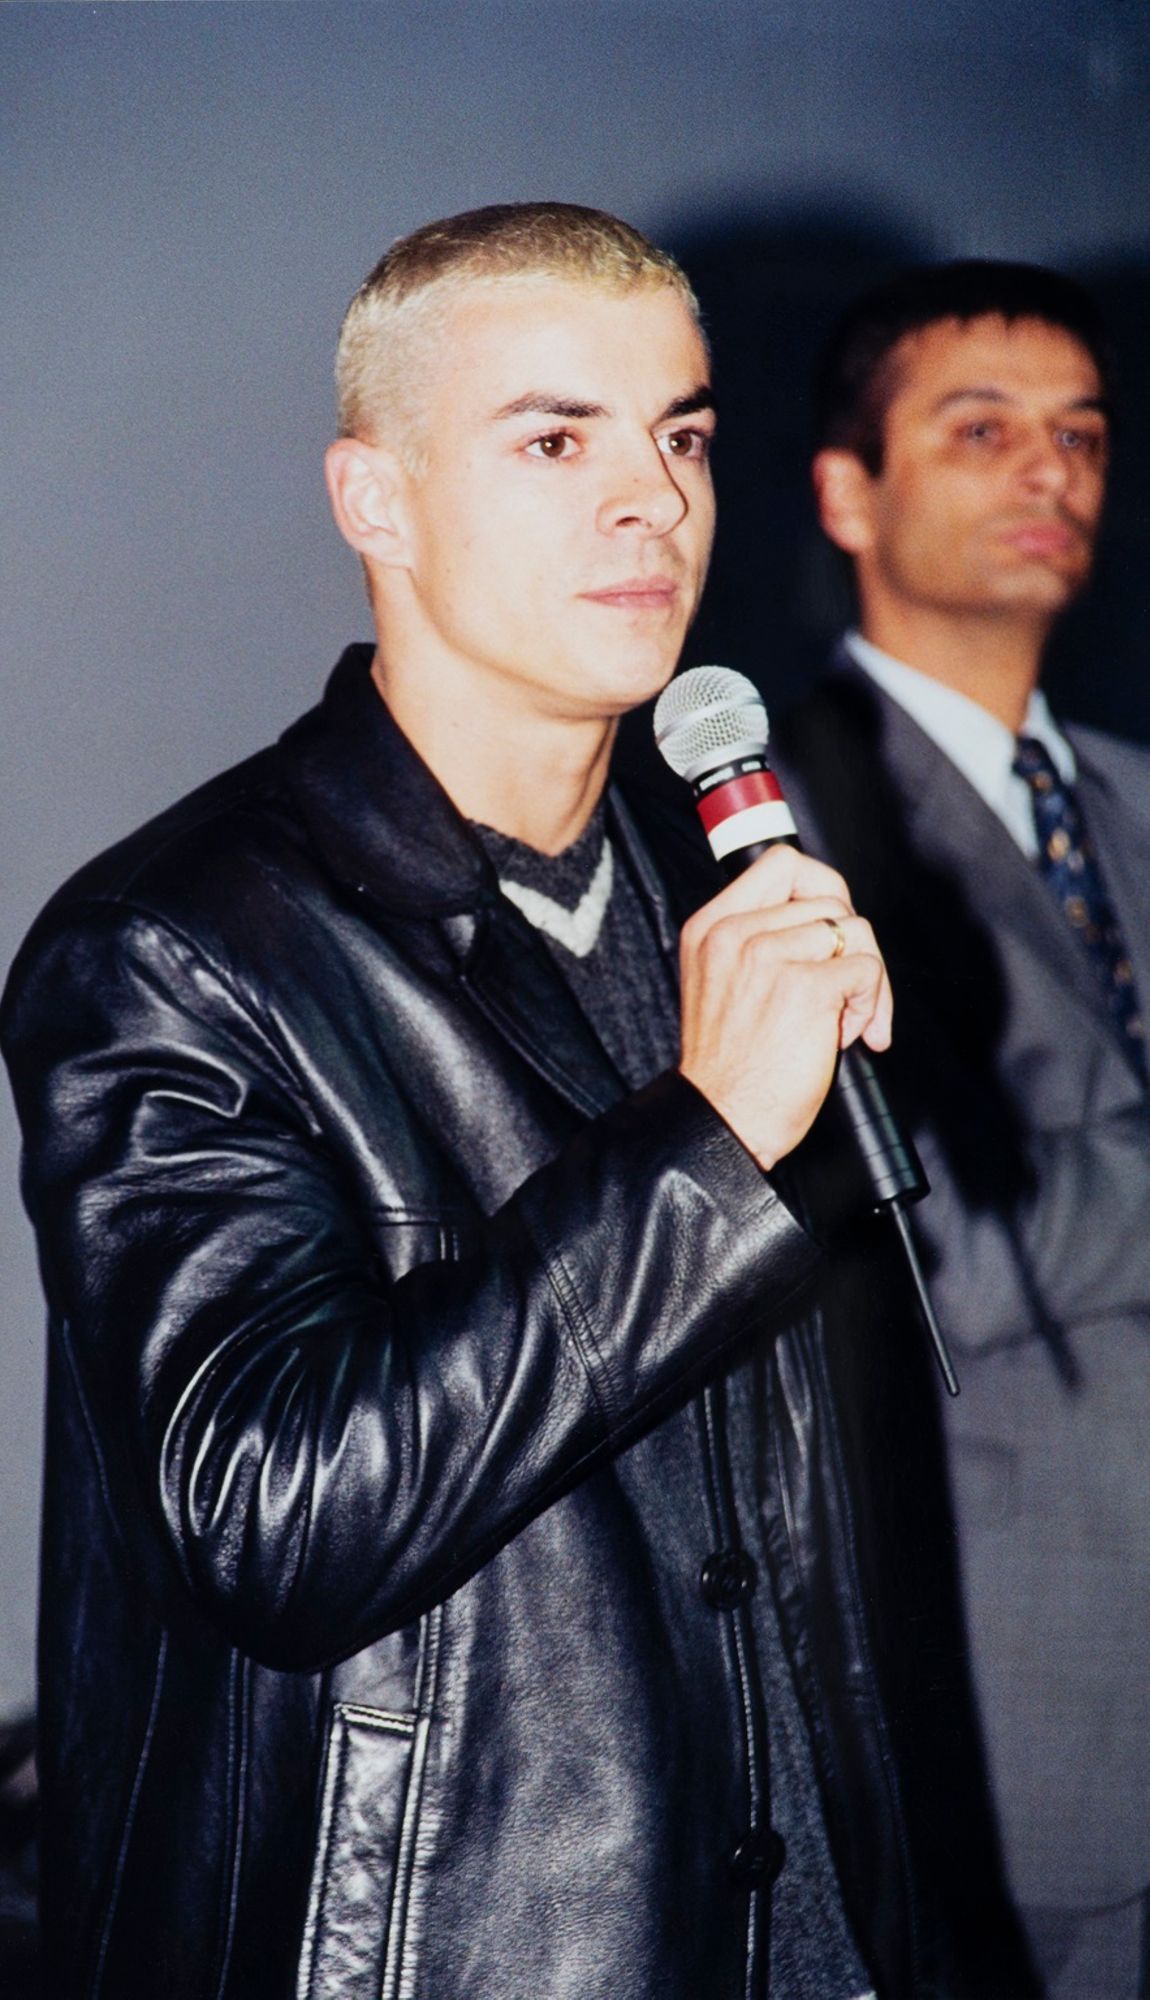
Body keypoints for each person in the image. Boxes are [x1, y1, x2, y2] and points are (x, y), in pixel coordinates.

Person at [0, 206, 1030, 2000]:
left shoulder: (714, 880)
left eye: (680, 437)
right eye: (556, 443)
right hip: (462, 1948)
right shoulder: (174, 948)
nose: (651, 502)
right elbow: (275, 1520)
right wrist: (707, 1139)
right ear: (374, 501)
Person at [773, 260, 1150, 2000]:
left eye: (1081, 434)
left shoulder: (1134, 799)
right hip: (1020, 1710)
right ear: (846, 493)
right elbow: (903, 1242)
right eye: (981, 431)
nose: (1048, 471)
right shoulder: (773, 825)